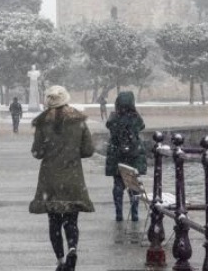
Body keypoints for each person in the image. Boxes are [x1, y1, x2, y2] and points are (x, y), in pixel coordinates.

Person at [29, 85, 95, 271]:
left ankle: (60, 261)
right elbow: (88, 150)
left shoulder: (43, 123)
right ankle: (72, 249)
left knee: (54, 222)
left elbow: (37, 152)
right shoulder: (78, 121)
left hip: (50, 180)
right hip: (73, 179)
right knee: (71, 220)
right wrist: (72, 153)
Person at [105, 91, 146, 222]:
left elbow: (110, 126)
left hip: (117, 156)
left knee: (118, 185)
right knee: (133, 185)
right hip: (133, 156)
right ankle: (134, 213)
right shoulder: (135, 118)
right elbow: (141, 126)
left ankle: (119, 213)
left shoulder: (114, 118)